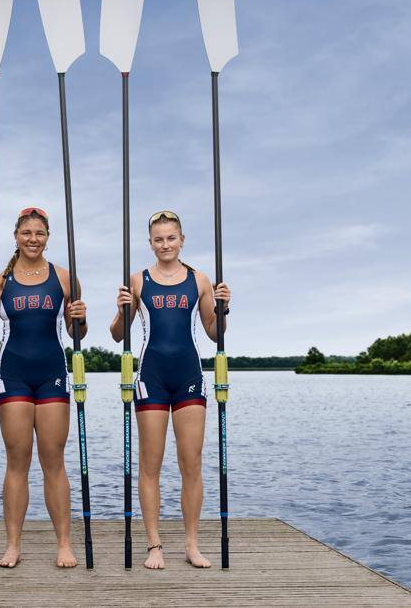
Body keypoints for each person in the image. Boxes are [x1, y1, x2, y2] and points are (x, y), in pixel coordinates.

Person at [109, 210, 231, 570]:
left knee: (191, 462)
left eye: (171, 238)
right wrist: (121, 311)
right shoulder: (138, 280)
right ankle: (154, 546)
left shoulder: (199, 280)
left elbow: (214, 332)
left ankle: (192, 544)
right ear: (150, 243)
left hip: (189, 375)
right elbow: (118, 335)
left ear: (181, 240)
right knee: (151, 464)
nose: (165, 244)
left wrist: (223, 308)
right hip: (151, 377)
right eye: (158, 239)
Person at [0, 207, 87, 569]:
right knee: (17, 461)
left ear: (48, 237)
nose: (33, 239)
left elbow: (77, 335)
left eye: (39, 233)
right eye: (27, 233)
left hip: (52, 372)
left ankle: (65, 544)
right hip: (13, 374)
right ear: (16, 236)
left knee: (53, 460)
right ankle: (13, 545)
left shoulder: (65, 278)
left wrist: (80, 320)